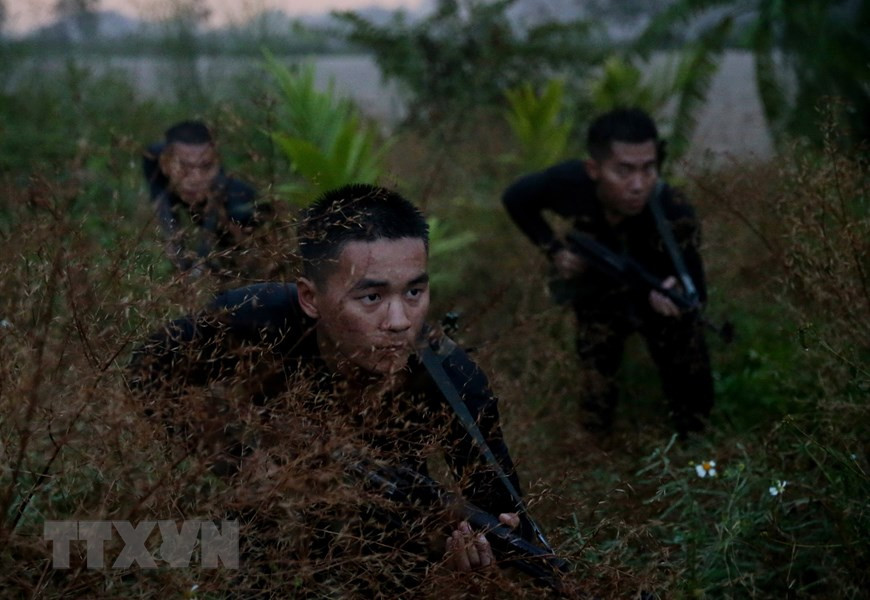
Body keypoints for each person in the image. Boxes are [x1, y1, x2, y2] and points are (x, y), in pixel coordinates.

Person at [129, 183, 543, 594]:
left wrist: (472, 551)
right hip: (269, 527)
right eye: (372, 297)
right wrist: (235, 457)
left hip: (386, 546)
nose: (400, 321)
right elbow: (147, 370)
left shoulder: (454, 381)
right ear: (311, 297)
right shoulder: (255, 319)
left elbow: (498, 507)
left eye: (414, 291)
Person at [502, 107, 714, 438]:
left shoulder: (674, 210)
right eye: (624, 171)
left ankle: (697, 441)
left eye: (649, 169)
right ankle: (595, 448)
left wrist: (678, 292)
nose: (638, 185)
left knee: (688, 364)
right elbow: (516, 198)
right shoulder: (568, 182)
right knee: (596, 373)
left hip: (655, 294)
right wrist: (554, 251)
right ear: (593, 168)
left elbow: (696, 286)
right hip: (597, 289)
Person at [143, 120, 271, 277]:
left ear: (216, 163)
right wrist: (172, 240)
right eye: (183, 167)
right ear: (165, 163)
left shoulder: (238, 203)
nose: (196, 178)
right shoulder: (152, 157)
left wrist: (200, 264)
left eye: (206, 166)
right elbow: (159, 198)